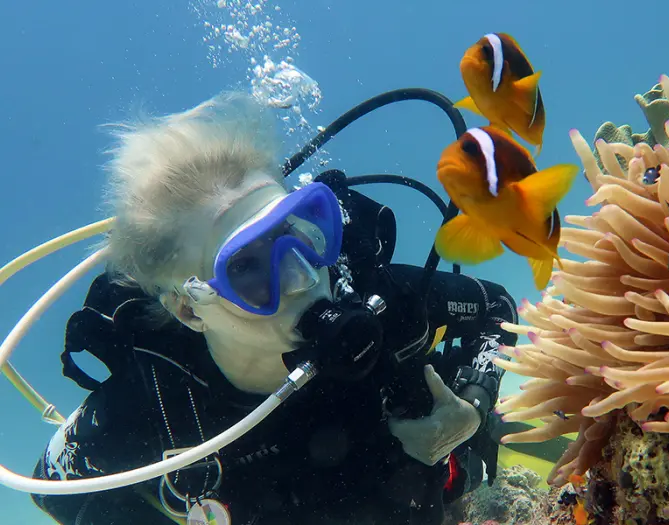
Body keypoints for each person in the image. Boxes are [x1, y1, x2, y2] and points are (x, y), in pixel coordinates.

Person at [29, 91, 519, 525]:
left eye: (298, 229)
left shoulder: (376, 296)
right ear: (189, 310)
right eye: (246, 266)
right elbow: (53, 487)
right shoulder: (154, 395)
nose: (303, 276)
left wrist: (474, 404)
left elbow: (497, 308)